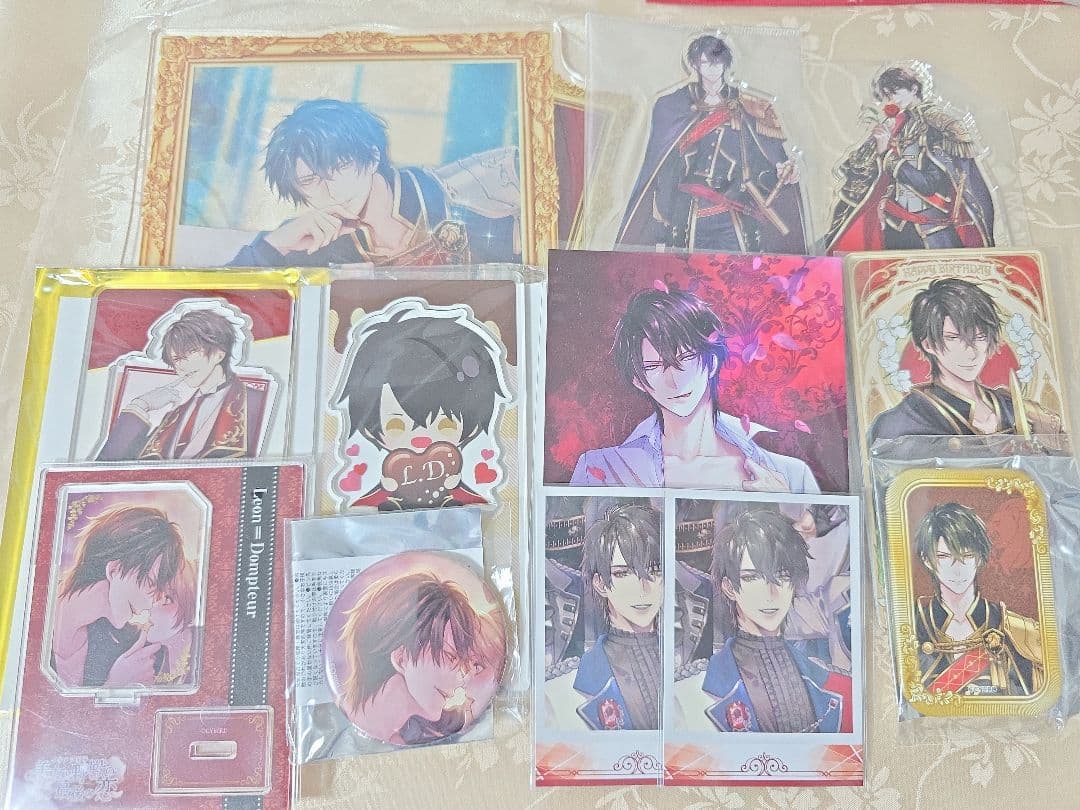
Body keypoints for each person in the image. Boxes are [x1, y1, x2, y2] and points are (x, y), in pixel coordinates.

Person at [570, 288, 819, 493]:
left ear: (711, 362)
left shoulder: (790, 475)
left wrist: (788, 509)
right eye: (654, 367)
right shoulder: (602, 469)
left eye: (685, 358)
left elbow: (825, 539)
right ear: (638, 381)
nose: (674, 381)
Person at [229, 99, 520, 268]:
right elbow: (220, 311)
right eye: (309, 180)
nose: (331, 190)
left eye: (339, 167)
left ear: (371, 157)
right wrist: (274, 245)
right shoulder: (310, 243)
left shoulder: (473, 190)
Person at [618, 34, 806, 253]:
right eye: (706, 62)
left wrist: (783, 171)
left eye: (716, 61)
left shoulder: (749, 106)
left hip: (734, 209)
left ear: (725, 63)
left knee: (740, 268)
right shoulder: (674, 105)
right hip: (687, 210)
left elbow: (768, 158)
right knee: (686, 267)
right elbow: (662, 164)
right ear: (695, 64)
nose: (712, 68)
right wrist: (664, 207)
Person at [675, 510, 852, 733]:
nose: (771, 592)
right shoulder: (687, 693)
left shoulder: (837, 685)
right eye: (752, 577)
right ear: (729, 588)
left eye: (782, 576)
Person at [335, 304, 509, 510]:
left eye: (445, 425)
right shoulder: (368, 505)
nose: (421, 439)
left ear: (470, 427)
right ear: (369, 429)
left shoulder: (472, 502)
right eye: (396, 426)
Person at [825, 64, 995, 252]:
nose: (891, 101)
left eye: (895, 93)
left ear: (914, 89)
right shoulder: (899, 124)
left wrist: (886, 154)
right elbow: (885, 178)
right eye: (887, 95)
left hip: (933, 229)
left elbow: (929, 184)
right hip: (898, 226)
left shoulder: (938, 126)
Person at [869, 278, 1063, 443]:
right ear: (928, 344)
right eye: (953, 338)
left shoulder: (1012, 408)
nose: (971, 353)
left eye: (980, 337)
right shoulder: (901, 422)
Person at [544, 504, 662, 731]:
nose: (642, 588)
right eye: (623, 573)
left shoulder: (691, 675)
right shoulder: (561, 691)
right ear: (600, 583)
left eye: (655, 571)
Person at [51, 506, 194, 689]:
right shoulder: (35, 612)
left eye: (163, 595)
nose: (152, 603)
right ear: (114, 570)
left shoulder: (123, 645)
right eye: (151, 583)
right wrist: (114, 685)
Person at [97, 308, 268, 461]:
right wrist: (141, 405)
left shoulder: (256, 403)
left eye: (190, 353)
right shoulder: (173, 418)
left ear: (219, 353)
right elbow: (108, 468)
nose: (181, 366)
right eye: (176, 359)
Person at [913, 503, 1043, 697]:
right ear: (926, 560)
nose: (957, 570)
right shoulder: (914, 626)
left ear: (980, 558)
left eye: (967, 556)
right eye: (944, 557)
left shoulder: (1016, 630)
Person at [336, 572, 481, 746]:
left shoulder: (408, 740)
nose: (462, 679)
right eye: (450, 657)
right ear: (401, 658)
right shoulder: (333, 728)